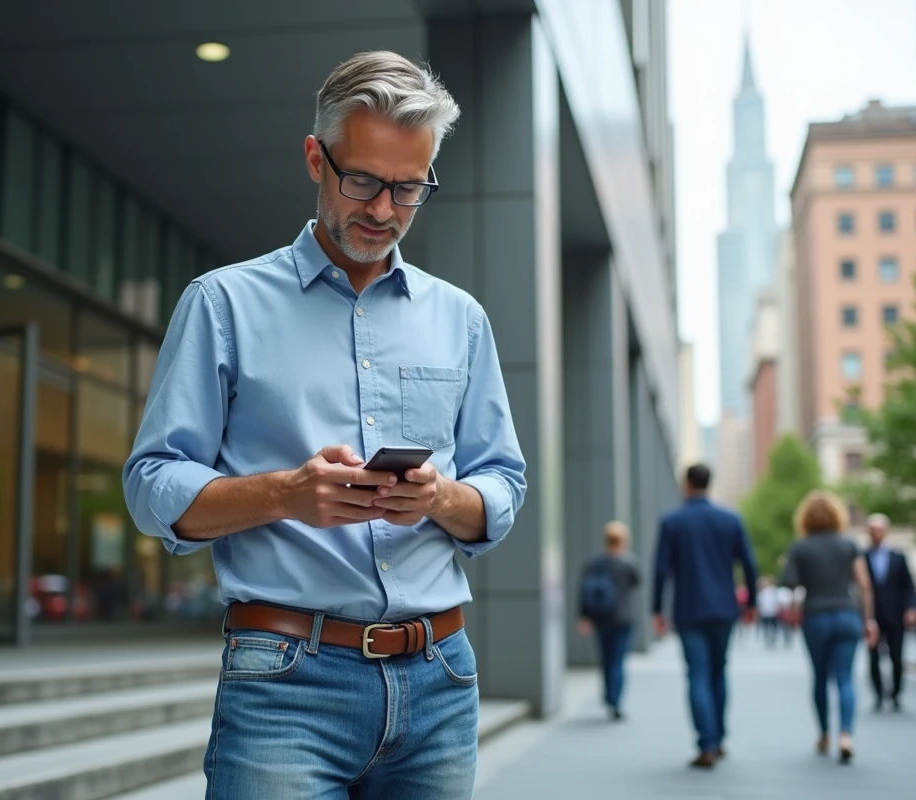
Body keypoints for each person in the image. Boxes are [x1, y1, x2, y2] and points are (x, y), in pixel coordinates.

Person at [122, 51, 526, 799]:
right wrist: (283, 494)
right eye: (364, 181)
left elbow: (502, 483)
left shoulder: (461, 321)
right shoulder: (222, 304)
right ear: (316, 158)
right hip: (285, 684)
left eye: (409, 188)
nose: (382, 210)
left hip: (439, 678)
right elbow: (152, 484)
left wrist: (439, 499)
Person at [652, 464, 759, 769]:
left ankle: (706, 743)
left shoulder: (673, 521)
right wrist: (751, 602)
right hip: (724, 609)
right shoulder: (730, 518)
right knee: (718, 672)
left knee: (697, 675)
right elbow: (749, 564)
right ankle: (720, 737)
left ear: (687, 484)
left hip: (689, 609)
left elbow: (661, 570)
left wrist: (657, 609)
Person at [780, 491, 878, 764]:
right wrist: (869, 619)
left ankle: (824, 734)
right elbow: (864, 584)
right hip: (847, 615)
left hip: (816, 617)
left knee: (820, 677)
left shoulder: (800, 547)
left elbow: (789, 583)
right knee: (845, 678)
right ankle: (846, 735)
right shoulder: (849, 545)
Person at [577, 521, 642, 720]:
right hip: (623, 618)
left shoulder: (595, 563)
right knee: (618, 660)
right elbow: (637, 582)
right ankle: (615, 701)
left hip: (601, 618)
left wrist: (583, 617)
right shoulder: (629, 563)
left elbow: (583, 590)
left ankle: (608, 695)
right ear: (624, 540)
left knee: (606, 659)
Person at [864, 513, 916, 712]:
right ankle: (878, 693)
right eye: (872, 530)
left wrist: (911, 608)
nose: (875, 534)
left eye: (878, 529)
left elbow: (908, 586)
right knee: (873, 657)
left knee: (896, 656)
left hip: (896, 615)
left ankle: (895, 693)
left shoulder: (898, 557)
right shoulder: (862, 557)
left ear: (885, 531)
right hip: (873, 616)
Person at [756, 576, 782, 647]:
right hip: (765, 612)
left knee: (772, 627)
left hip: (772, 611)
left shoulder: (774, 591)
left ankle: (772, 639)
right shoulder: (762, 592)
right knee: (767, 627)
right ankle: (768, 639)